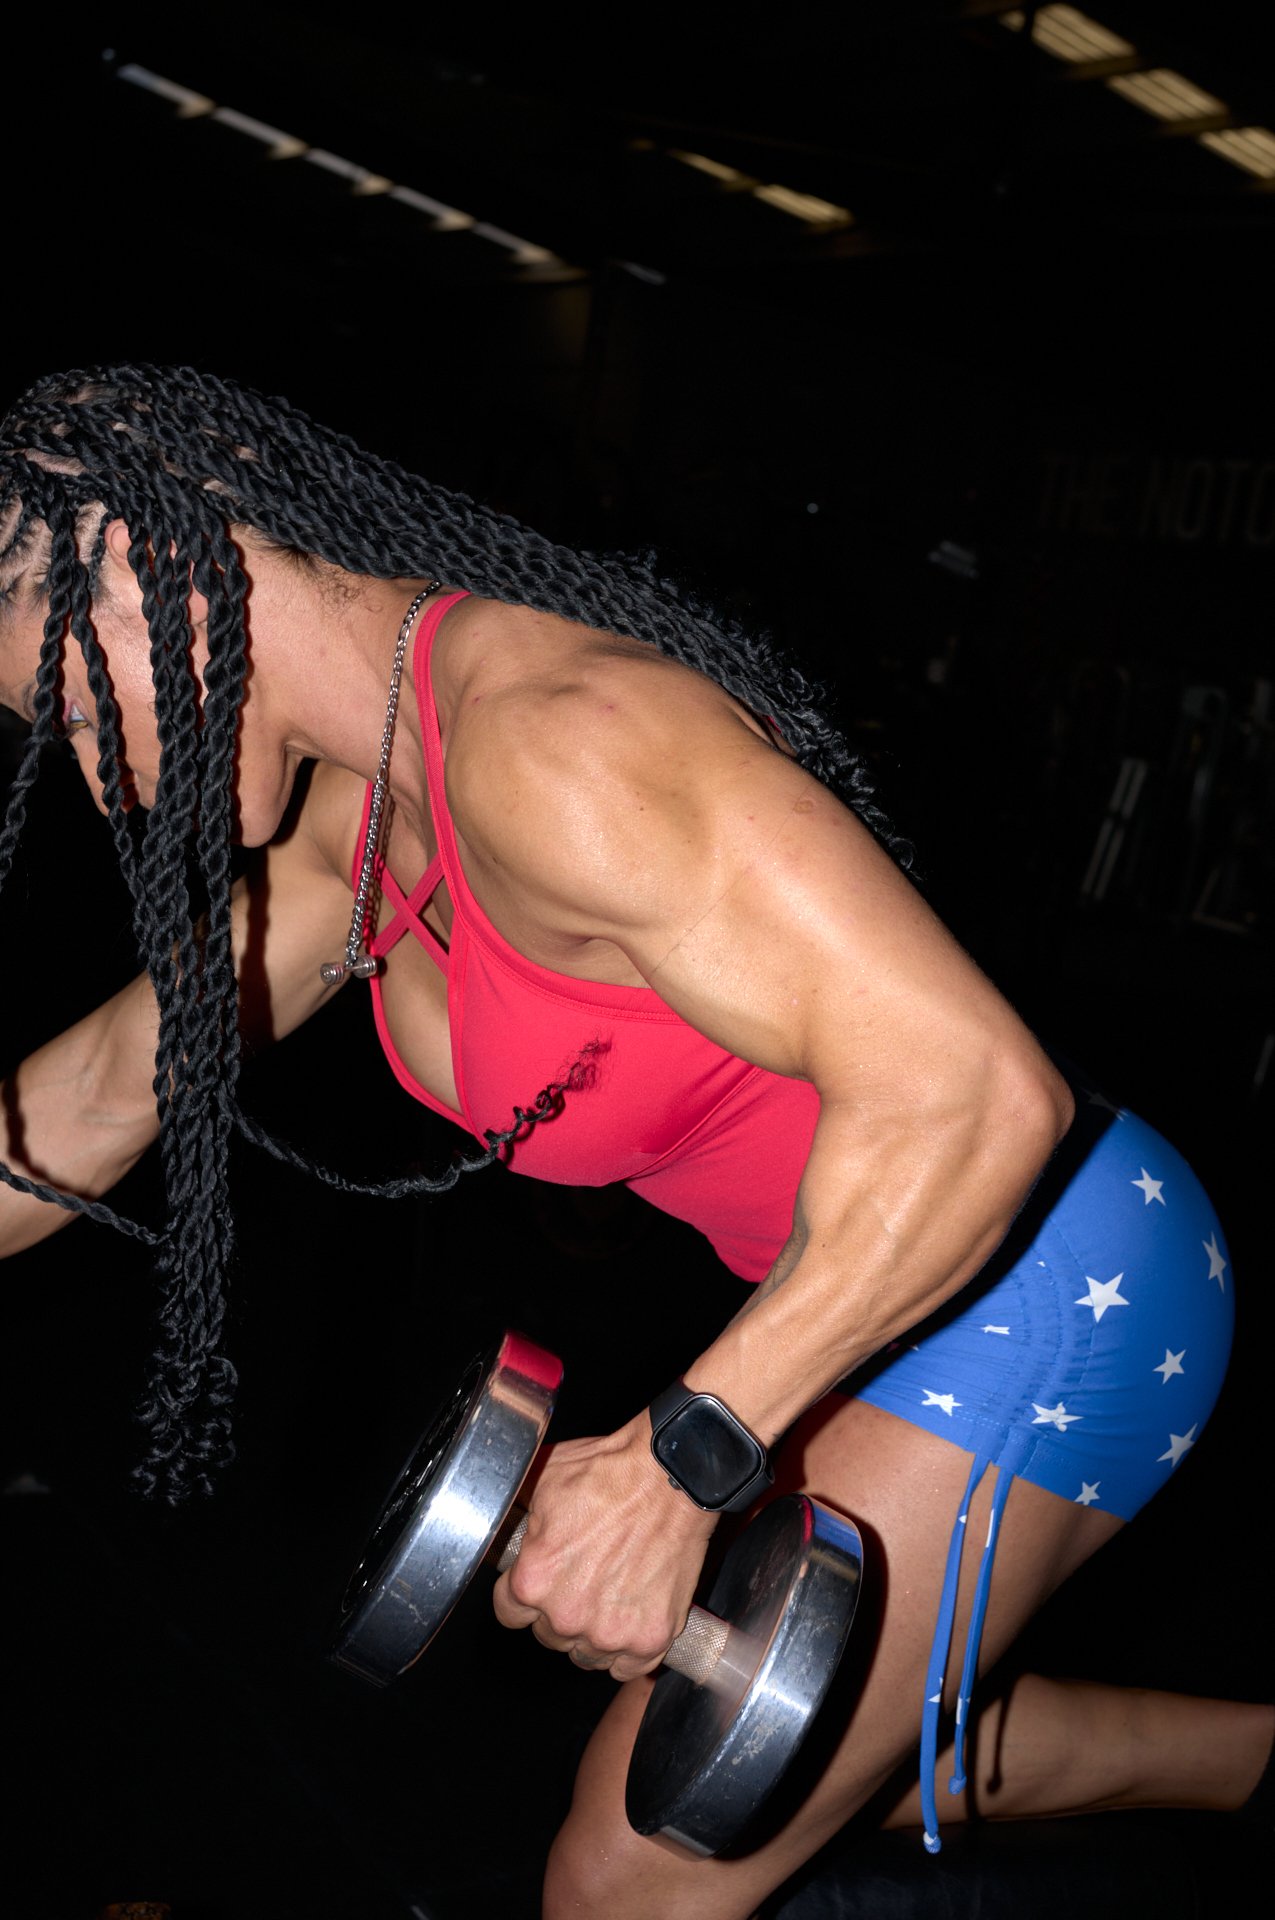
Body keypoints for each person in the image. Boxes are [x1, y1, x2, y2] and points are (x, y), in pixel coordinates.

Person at [0, 366, 1267, 1920]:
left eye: (71, 697)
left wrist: (685, 1459)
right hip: (877, 1282)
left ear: (152, 560)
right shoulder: (363, 822)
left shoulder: (560, 744)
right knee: (839, 1748)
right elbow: (95, 1098)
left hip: (1043, 1262)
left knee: (623, 1880)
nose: (102, 775)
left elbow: (984, 1096)